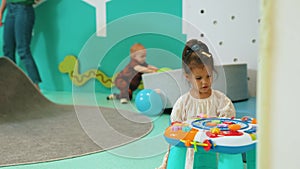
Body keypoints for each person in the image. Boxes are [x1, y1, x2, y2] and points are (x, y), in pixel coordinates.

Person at [157, 39, 236, 169]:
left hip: (213, 159)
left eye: (208, 76)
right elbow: (174, 139)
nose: (205, 82)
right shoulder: (182, 104)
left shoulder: (222, 102)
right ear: (187, 76)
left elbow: (227, 135)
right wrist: (166, 162)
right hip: (190, 161)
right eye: (199, 78)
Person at [0, 0, 41, 89]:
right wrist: (1, 12)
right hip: (10, 8)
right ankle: (10, 84)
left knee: (23, 50)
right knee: (8, 50)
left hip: (24, 9)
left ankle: (36, 86)